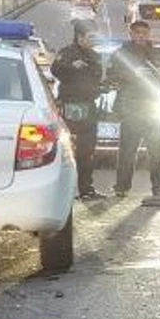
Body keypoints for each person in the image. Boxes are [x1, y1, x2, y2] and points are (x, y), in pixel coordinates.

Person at [105, 19, 160, 198]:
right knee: (127, 151)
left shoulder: (158, 54)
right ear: (131, 34)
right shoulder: (121, 54)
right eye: (137, 33)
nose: (141, 37)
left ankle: (158, 188)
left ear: (148, 34)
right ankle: (121, 187)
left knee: (156, 152)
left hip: (153, 108)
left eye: (144, 33)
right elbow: (111, 75)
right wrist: (132, 75)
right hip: (130, 108)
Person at [50, 22, 105, 199]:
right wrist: (72, 66)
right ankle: (63, 190)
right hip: (72, 105)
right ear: (80, 38)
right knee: (68, 149)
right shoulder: (67, 53)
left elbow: (97, 77)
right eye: (90, 37)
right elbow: (55, 70)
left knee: (87, 150)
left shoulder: (95, 56)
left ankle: (86, 189)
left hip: (89, 105)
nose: (93, 40)